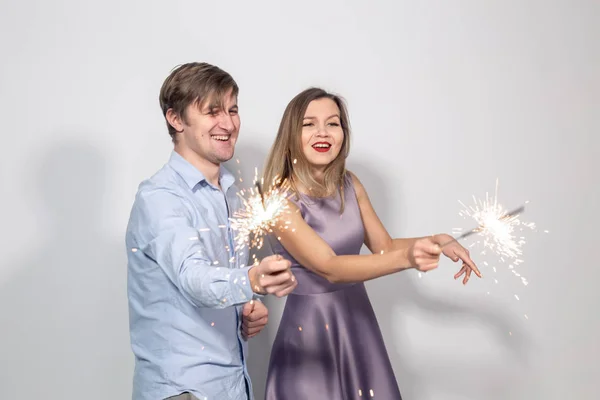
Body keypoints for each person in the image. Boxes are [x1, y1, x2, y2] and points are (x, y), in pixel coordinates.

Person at [262, 87, 482, 399]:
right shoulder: (279, 201)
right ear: (290, 134)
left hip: (358, 325)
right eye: (308, 124)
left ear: (343, 132)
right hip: (310, 336)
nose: (322, 132)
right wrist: (409, 258)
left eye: (333, 123)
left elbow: (384, 247)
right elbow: (330, 268)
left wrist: (438, 240)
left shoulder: (350, 184)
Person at [125, 62, 297, 400]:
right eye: (212, 111)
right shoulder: (159, 198)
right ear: (176, 119)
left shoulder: (231, 192)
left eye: (233, 110)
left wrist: (248, 305)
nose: (229, 123)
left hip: (232, 386)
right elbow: (194, 278)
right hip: (184, 392)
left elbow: (224, 282)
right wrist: (250, 280)